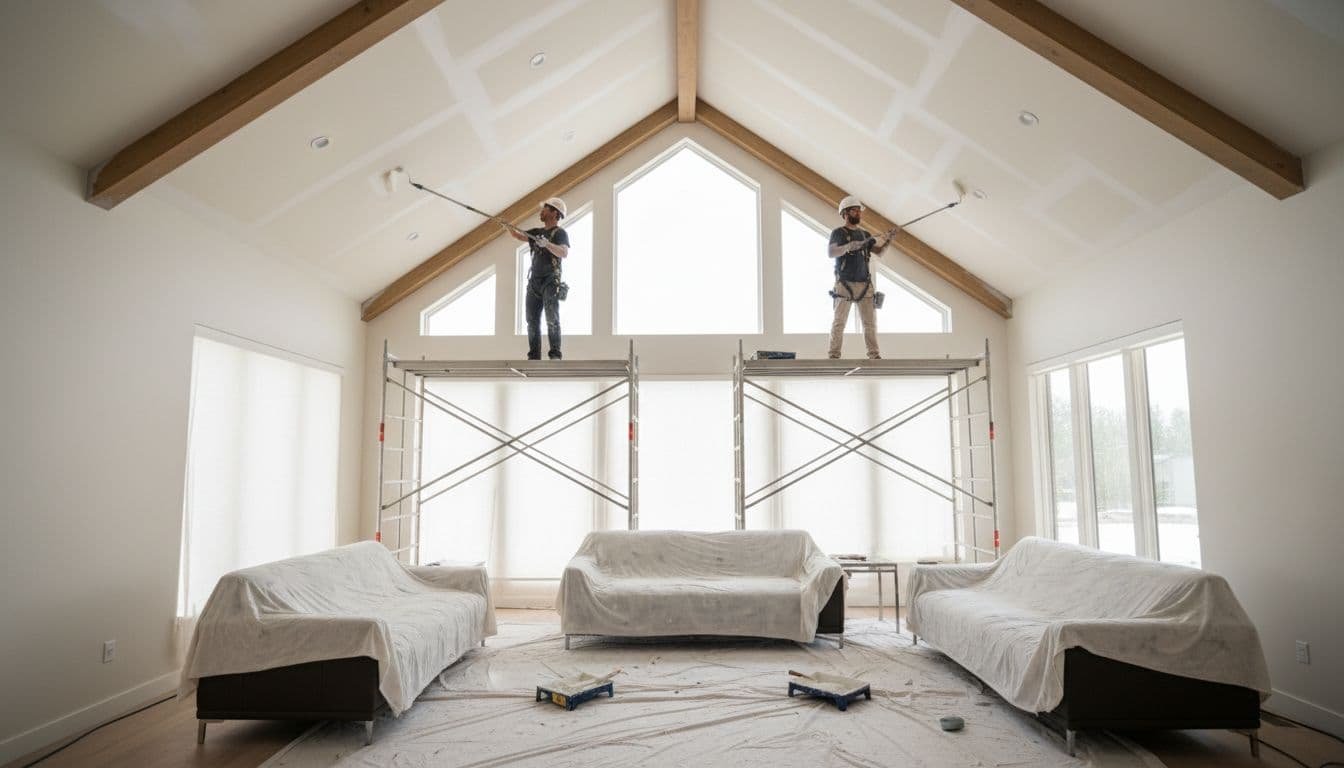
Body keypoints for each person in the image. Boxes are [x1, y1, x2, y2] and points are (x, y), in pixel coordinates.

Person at [827, 195, 896, 359]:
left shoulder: (865, 234)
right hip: (844, 284)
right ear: (845, 213)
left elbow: (878, 252)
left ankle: (874, 354)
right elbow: (831, 252)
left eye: (859, 211)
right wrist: (848, 246)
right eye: (854, 211)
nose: (858, 214)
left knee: (870, 324)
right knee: (839, 322)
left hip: (865, 284)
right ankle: (833, 355)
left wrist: (888, 240)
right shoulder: (839, 233)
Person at [507, 197, 570, 360]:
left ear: (554, 212)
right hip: (534, 282)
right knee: (532, 321)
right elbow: (517, 235)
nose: (541, 212)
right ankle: (534, 355)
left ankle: (555, 353)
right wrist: (506, 225)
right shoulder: (536, 233)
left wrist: (547, 244)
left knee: (552, 318)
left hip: (550, 281)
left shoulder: (560, 233)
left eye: (545, 209)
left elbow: (564, 253)